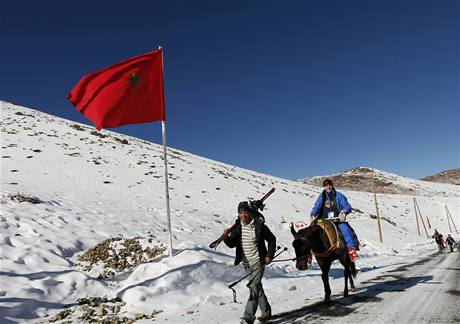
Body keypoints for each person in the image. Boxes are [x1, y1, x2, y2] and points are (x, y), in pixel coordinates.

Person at [224, 201, 276, 324]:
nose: (243, 215)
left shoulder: (259, 225)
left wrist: (269, 255)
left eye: (245, 212)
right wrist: (226, 236)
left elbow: (272, 239)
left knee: (253, 287)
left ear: (249, 212)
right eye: (240, 213)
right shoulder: (238, 227)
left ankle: (248, 317)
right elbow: (231, 244)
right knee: (257, 287)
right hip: (246, 263)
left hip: (258, 261)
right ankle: (266, 311)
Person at [310, 179, 359, 262]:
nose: (328, 187)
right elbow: (316, 207)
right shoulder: (322, 197)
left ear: (332, 185)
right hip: (323, 220)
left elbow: (347, 206)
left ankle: (351, 251)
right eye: (326, 185)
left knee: (345, 229)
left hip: (337, 219)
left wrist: (344, 212)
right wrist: (313, 214)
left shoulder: (338, 195)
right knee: (311, 232)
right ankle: (308, 255)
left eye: (329, 185)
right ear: (324, 187)